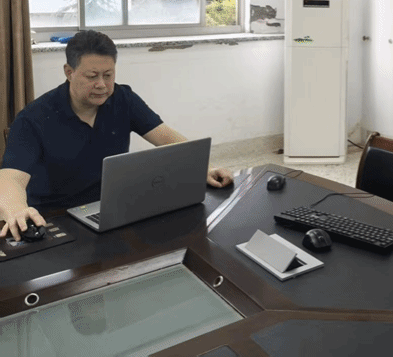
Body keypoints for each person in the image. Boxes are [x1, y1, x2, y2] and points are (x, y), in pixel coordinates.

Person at [0, 30, 234, 241]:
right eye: (92, 76)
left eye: (108, 75)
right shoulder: (34, 117)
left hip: (113, 208)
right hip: (56, 215)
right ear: (69, 72)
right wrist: (16, 208)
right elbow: (11, 178)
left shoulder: (123, 99)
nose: (102, 85)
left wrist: (204, 168)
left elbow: (166, 137)